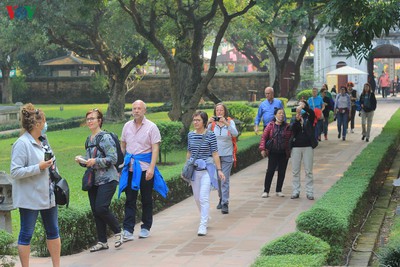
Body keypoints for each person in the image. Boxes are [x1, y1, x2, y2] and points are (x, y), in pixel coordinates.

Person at [10, 103, 61, 267]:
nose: (45, 125)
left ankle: (56, 265)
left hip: (48, 195)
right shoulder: (21, 143)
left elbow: (51, 161)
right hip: (30, 197)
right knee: (26, 234)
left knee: (53, 231)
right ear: (38, 124)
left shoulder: (44, 140)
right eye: (44, 122)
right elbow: (15, 171)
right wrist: (38, 167)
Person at [74, 108, 123, 252]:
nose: (89, 121)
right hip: (93, 180)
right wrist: (82, 161)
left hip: (108, 179)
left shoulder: (105, 138)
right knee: (96, 211)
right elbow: (90, 161)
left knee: (101, 207)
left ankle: (118, 232)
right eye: (88, 119)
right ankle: (102, 241)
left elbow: (112, 159)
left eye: (92, 118)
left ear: (99, 121)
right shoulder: (88, 140)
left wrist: (94, 161)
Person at [119, 100, 167, 241]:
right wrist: (121, 165)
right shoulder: (127, 126)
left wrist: (152, 168)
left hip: (145, 168)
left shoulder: (152, 127)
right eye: (134, 108)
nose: (136, 111)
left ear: (144, 110)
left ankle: (146, 227)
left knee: (146, 199)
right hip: (130, 168)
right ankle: (128, 229)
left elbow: (155, 149)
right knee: (130, 199)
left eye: (139, 108)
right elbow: (123, 146)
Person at [187, 110, 225, 236]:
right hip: (194, 172)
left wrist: (219, 170)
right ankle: (205, 215)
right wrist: (187, 168)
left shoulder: (210, 135)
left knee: (203, 197)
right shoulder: (190, 135)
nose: (195, 122)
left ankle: (203, 224)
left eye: (198, 120)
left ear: (204, 122)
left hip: (207, 171)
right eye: (194, 120)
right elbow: (189, 152)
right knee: (197, 198)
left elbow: (215, 153)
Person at [207, 103, 238, 214]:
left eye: (221, 110)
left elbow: (235, 134)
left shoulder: (230, 122)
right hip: (215, 156)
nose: (219, 112)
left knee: (224, 179)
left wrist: (226, 123)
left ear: (225, 111)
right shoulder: (213, 124)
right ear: (215, 112)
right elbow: (205, 135)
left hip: (227, 155)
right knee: (218, 180)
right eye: (217, 110)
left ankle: (225, 203)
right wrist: (208, 123)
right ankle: (221, 198)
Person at [259, 108, 292, 198]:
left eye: (283, 113)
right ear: (275, 115)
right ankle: (266, 190)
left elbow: (291, 138)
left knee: (282, 171)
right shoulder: (270, 126)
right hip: (273, 152)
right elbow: (264, 138)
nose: (281, 115)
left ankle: (279, 190)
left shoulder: (287, 126)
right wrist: (262, 149)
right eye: (279, 113)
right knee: (270, 171)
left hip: (283, 152)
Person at [290, 100, 317, 200]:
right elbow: (292, 129)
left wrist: (304, 107)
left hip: (308, 147)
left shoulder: (308, 117)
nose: (300, 107)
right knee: (295, 171)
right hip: (296, 147)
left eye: (302, 105)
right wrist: (297, 120)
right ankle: (295, 191)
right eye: (299, 105)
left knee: (308, 171)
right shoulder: (294, 118)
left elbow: (312, 113)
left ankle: (309, 192)